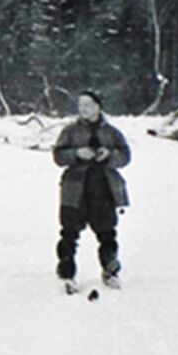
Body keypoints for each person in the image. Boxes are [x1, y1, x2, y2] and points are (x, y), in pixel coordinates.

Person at [52, 90, 131, 293]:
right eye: (81, 105)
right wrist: (77, 153)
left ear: (98, 106)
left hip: (103, 190)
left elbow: (125, 156)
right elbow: (58, 156)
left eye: (88, 104)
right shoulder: (70, 131)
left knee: (107, 232)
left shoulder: (112, 133)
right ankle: (67, 275)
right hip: (74, 190)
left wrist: (109, 155)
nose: (83, 109)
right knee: (69, 233)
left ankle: (110, 270)